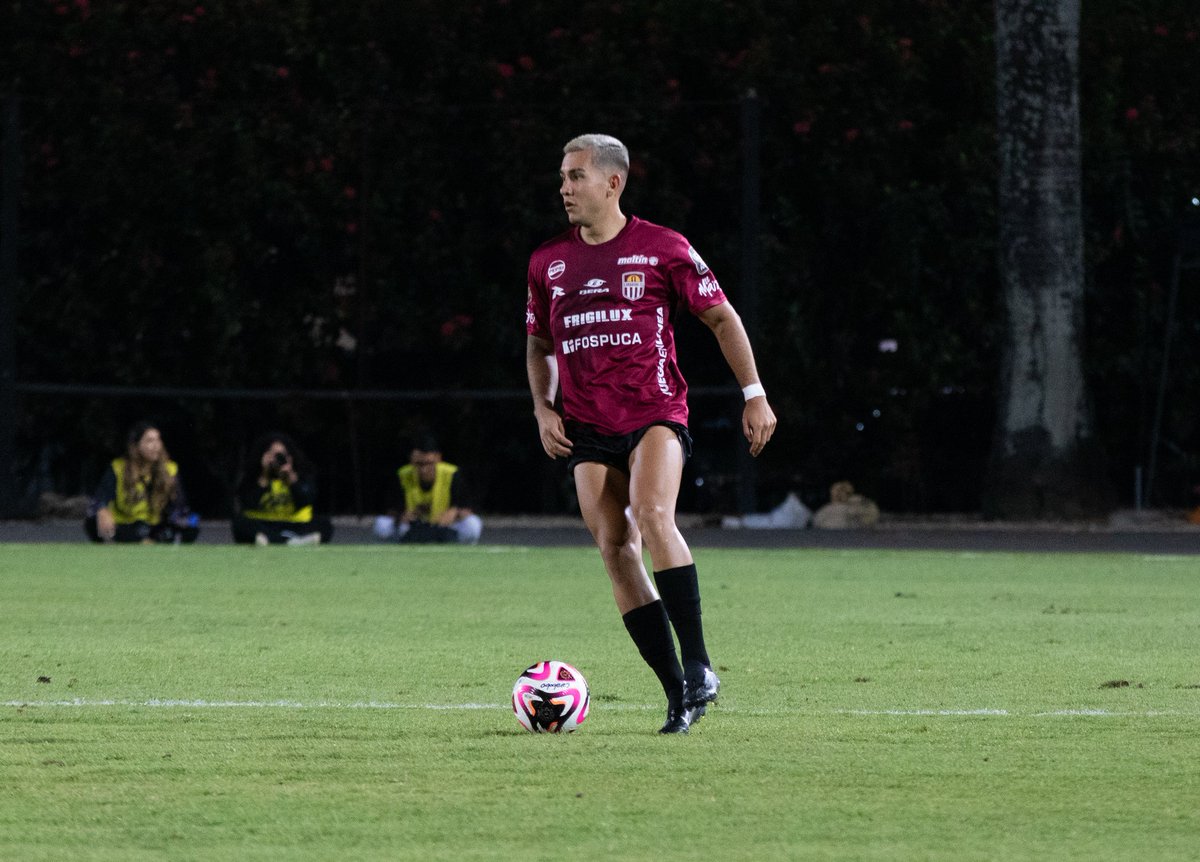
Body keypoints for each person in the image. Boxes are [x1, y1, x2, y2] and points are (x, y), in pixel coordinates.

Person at [525, 133, 777, 734]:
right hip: (587, 425)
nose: (564, 187)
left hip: (654, 410)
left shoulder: (662, 248)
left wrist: (755, 394)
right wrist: (542, 406)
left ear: (613, 183)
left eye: (576, 176)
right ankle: (677, 694)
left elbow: (721, 317)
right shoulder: (548, 262)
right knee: (614, 548)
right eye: (562, 176)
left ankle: (699, 664)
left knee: (653, 514)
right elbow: (538, 344)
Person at [84, 421, 200, 544]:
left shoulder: (170, 469)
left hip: (154, 526)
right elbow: (100, 498)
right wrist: (102, 510)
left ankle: (150, 541)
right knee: (93, 521)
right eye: (149, 441)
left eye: (158, 440)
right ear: (136, 446)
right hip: (126, 524)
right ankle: (142, 542)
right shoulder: (118, 468)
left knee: (193, 523)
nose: (156, 446)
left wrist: (184, 520)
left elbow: (180, 506)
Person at [373, 434, 483, 544]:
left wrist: (454, 513)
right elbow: (391, 511)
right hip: (412, 529)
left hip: (444, 528)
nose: (423, 470)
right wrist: (402, 516)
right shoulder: (403, 475)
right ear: (411, 460)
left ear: (438, 458)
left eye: (428, 463)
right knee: (382, 525)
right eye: (419, 464)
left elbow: (466, 509)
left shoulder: (452, 474)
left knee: (473, 524)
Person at [231, 432, 333, 545]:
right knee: (240, 523)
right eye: (272, 455)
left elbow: (307, 500)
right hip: (263, 523)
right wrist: (264, 475)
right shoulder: (254, 476)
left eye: (281, 456)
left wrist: (291, 477)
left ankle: (276, 540)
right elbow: (248, 503)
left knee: (324, 524)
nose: (277, 460)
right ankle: (290, 541)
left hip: (295, 523)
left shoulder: (301, 473)